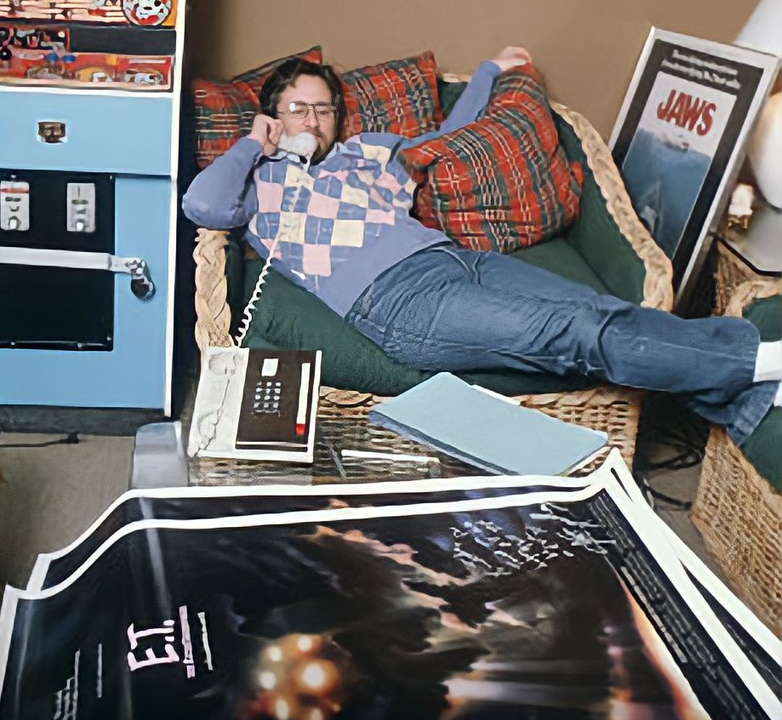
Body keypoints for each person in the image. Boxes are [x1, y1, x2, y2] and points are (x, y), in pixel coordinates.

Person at [182, 50, 781, 445]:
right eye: (296, 108)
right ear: (272, 116)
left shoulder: (369, 152)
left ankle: (743, 401)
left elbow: (447, 133)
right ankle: (759, 361)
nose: (313, 118)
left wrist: (490, 69)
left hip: (458, 260)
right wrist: (252, 145)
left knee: (591, 312)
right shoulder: (255, 182)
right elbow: (201, 207)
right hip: (398, 303)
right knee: (570, 333)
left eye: (323, 108)